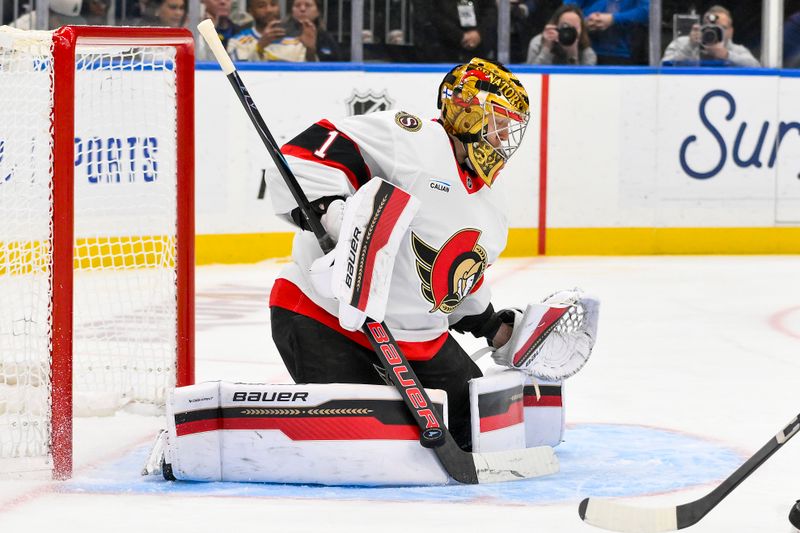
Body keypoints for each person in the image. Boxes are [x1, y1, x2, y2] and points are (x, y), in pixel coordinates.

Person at [265, 58, 533, 450]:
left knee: (475, 430)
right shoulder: (411, 136)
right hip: (327, 320)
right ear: (467, 109)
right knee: (365, 446)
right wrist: (333, 215)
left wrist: (496, 328)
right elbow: (305, 154)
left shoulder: (493, 207)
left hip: (418, 340)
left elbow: (452, 282)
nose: (505, 136)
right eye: (499, 121)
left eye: (512, 127)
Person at [661, 5, 759, 67]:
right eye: (710, 27)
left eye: (721, 28)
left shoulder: (736, 50)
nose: (714, 32)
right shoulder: (682, 43)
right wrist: (690, 46)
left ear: (731, 31)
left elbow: (756, 67)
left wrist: (726, 55)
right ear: (701, 27)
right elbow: (664, 66)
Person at [564, 0, 648, 65]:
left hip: (623, 52)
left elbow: (648, 11)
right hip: (582, 49)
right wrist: (582, 21)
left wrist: (613, 18)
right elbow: (569, 7)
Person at [412, 0, 497, 63]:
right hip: (442, 47)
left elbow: (490, 10)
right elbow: (432, 13)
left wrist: (479, 33)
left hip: (479, 48)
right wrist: (459, 35)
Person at [227, 0, 309, 61]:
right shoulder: (237, 42)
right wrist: (260, 47)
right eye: (261, 6)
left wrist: (311, 50)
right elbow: (238, 75)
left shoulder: (296, 44)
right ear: (250, 11)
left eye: (273, 4)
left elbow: (307, 77)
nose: (269, 10)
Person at [527, 5, 597, 65]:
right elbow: (531, 75)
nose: (568, 32)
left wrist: (573, 57)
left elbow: (582, 80)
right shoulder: (537, 43)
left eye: (574, 28)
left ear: (582, 30)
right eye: (565, 26)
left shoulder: (588, 54)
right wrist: (546, 49)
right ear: (555, 26)